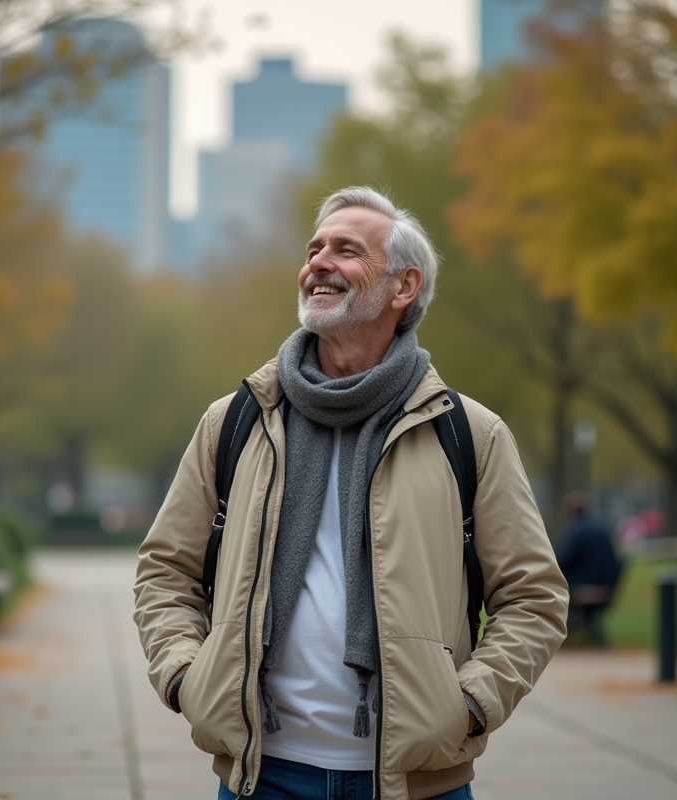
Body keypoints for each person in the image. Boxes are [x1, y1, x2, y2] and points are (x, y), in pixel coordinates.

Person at [133, 187, 568, 800]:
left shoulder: (468, 433)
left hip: (416, 784)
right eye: (314, 249)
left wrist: (468, 704)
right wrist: (185, 676)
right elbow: (165, 569)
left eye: (346, 249)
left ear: (403, 287)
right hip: (263, 774)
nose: (319, 262)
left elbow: (533, 596)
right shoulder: (236, 421)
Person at [554, 492, 622, 646]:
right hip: (608, 588)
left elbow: (560, 560)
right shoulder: (602, 527)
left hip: (584, 588)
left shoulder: (576, 530)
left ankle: (553, 634)